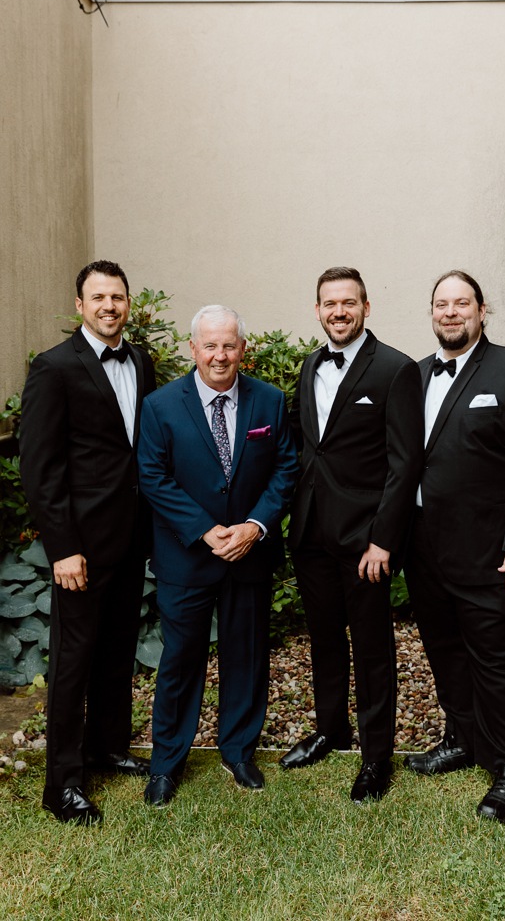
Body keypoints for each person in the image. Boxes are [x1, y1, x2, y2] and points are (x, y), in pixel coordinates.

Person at [403, 270, 505, 823]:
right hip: (425, 553)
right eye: (441, 303)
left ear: (482, 310)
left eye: (461, 303)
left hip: (495, 555)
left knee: (499, 665)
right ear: (431, 313)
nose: (451, 312)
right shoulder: (414, 376)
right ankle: (462, 740)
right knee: (446, 655)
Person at [137, 304, 297, 806]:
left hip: (248, 553)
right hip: (187, 557)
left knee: (246, 657)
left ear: (242, 349)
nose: (220, 355)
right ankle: (166, 764)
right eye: (210, 345)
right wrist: (206, 531)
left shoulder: (269, 402)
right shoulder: (161, 405)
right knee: (180, 660)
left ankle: (239, 751)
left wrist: (254, 526)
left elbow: (286, 470)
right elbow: (153, 477)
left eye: (229, 344)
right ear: (193, 349)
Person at [20, 260, 156, 825]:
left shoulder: (142, 360)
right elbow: (40, 467)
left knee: (117, 650)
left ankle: (108, 746)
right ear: (79, 305)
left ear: (129, 304)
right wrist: (62, 547)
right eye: (98, 297)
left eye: (117, 297)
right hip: (81, 546)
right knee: (73, 661)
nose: (109, 306)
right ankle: (63, 784)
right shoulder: (53, 368)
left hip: (129, 538)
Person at [279, 267, 423, 802]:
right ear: (317, 310)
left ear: (366, 307)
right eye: (328, 303)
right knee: (323, 640)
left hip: (366, 540)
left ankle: (376, 756)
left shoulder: (395, 369)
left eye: (348, 302)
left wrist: (383, 538)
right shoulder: (311, 364)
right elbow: (307, 447)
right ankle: (330, 729)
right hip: (312, 530)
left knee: (371, 646)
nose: (338, 312)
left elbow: (404, 464)